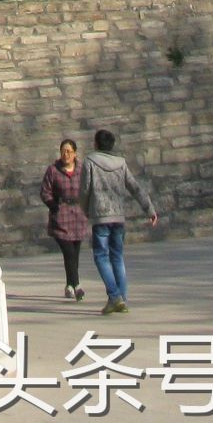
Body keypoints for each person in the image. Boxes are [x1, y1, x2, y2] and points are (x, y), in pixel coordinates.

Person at [80, 128, 157, 314]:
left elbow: (84, 190)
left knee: (101, 256)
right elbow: (135, 187)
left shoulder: (90, 162)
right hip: (118, 216)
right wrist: (149, 209)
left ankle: (115, 296)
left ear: (96, 144)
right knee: (117, 257)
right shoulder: (121, 163)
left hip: (101, 216)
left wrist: (85, 209)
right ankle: (121, 299)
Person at [40, 137, 89, 301]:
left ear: (75, 153)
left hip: (78, 217)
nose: (65, 154)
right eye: (63, 151)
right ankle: (77, 285)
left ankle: (69, 285)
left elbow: (89, 188)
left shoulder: (82, 169)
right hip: (61, 217)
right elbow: (45, 191)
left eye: (68, 151)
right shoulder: (53, 170)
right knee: (68, 252)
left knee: (75, 253)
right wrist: (53, 205)